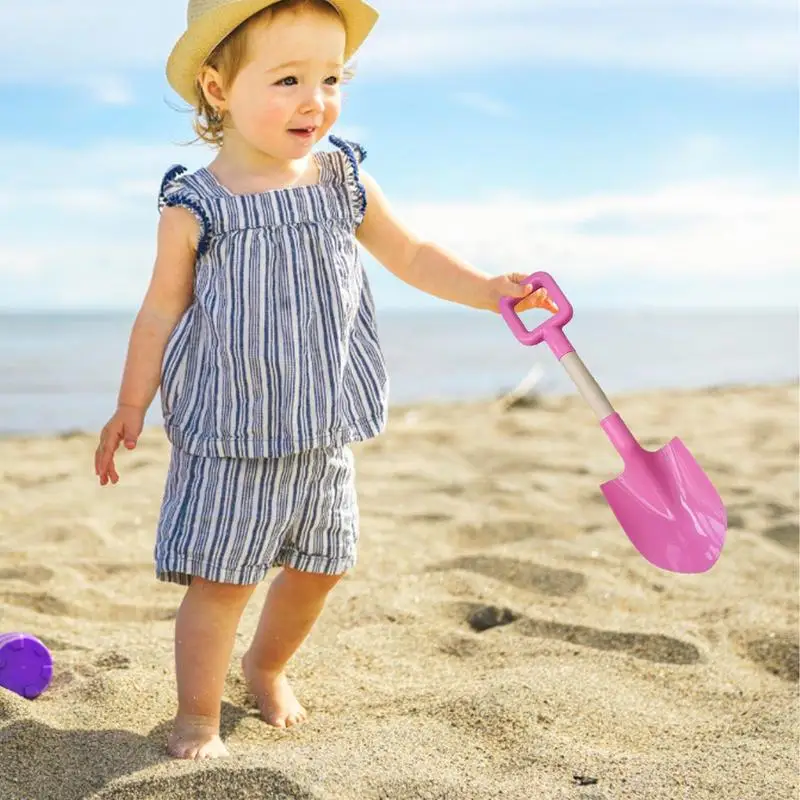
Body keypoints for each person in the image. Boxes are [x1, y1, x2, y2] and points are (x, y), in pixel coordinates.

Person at [94, 0, 556, 761]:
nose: (316, 100)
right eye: (287, 79)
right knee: (220, 583)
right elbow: (158, 313)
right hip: (231, 436)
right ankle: (197, 717)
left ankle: (266, 666)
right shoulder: (197, 207)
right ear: (217, 89)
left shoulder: (345, 180)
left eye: (332, 77)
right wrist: (129, 404)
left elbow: (413, 255)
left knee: (323, 566)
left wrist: (489, 288)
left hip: (323, 427)